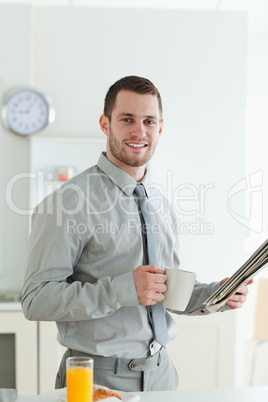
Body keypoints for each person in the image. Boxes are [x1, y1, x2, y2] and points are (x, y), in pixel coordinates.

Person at [21, 75, 251, 392]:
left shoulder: (161, 205)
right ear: (105, 124)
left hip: (162, 376)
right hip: (95, 379)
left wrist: (218, 295)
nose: (139, 131)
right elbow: (36, 300)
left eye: (149, 121)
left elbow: (165, 292)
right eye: (127, 119)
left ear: (160, 127)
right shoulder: (66, 204)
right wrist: (120, 290)